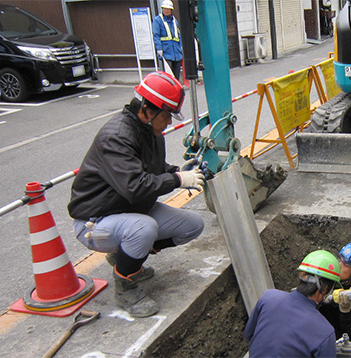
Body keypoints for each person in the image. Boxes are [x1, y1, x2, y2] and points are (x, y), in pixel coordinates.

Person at [68, 71, 205, 318]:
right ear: (147, 110)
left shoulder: (150, 133)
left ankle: (126, 257)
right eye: (167, 115)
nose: (170, 122)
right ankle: (125, 285)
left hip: (129, 210)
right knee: (144, 228)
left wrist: (180, 172)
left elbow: (156, 169)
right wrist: (176, 180)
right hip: (96, 219)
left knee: (193, 225)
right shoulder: (117, 136)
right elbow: (136, 186)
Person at [245, 250, 341, 358]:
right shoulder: (325, 331)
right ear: (325, 289)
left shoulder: (268, 297)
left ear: (302, 276)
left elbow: (249, 334)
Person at [153, 0, 183, 81]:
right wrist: (159, 48)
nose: (166, 10)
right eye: (164, 8)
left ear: (171, 10)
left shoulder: (174, 20)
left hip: (176, 53)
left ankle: (175, 91)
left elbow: (178, 35)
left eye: (168, 9)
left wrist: (181, 48)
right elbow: (156, 35)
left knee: (176, 77)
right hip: (166, 52)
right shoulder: (158, 20)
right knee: (168, 77)